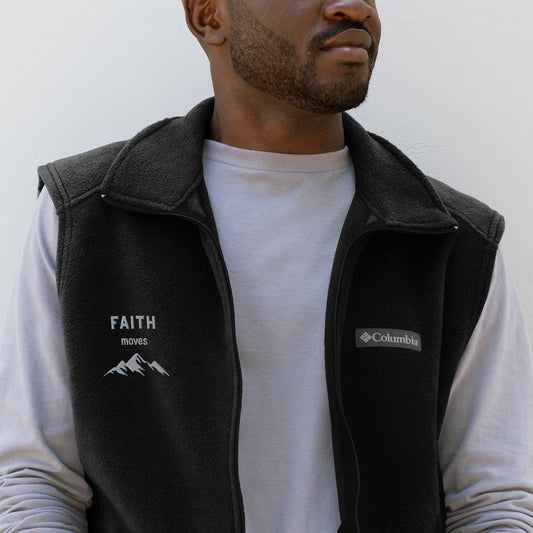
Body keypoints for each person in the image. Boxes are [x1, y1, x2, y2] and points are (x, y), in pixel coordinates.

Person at [1, 0, 532, 531]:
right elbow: (33, 479)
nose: (354, 7)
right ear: (209, 17)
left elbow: (496, 501)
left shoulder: (450, 239)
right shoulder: (89, 217)